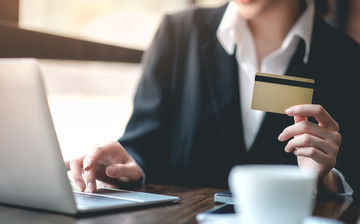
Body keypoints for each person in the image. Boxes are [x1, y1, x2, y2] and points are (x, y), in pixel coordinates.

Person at [66, 0, 360, 195]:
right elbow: (145, 141)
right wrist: (128, 164)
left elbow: (352, 176)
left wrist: (326, 179)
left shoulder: (348, 60)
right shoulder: (178, 33)